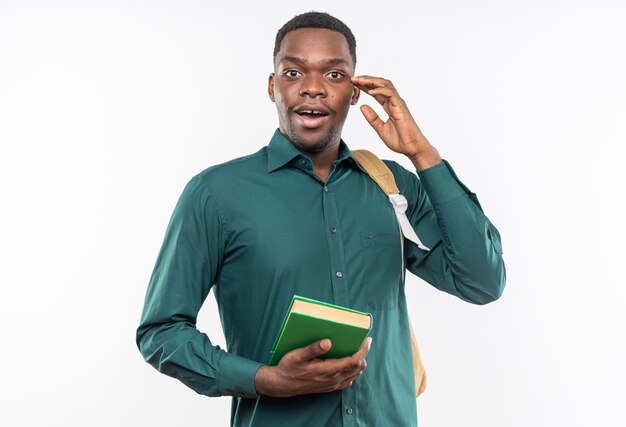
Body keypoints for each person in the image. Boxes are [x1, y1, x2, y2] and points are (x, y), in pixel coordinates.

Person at [136, 11, 505, 427]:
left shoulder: (393, 187)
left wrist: (422, 155)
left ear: (353, 91)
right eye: (294, 72)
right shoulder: (216, 194)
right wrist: (264, 379)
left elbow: (482, 281)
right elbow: (161, 331)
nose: (312, 88)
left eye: (333, 74)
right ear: (273, 87)